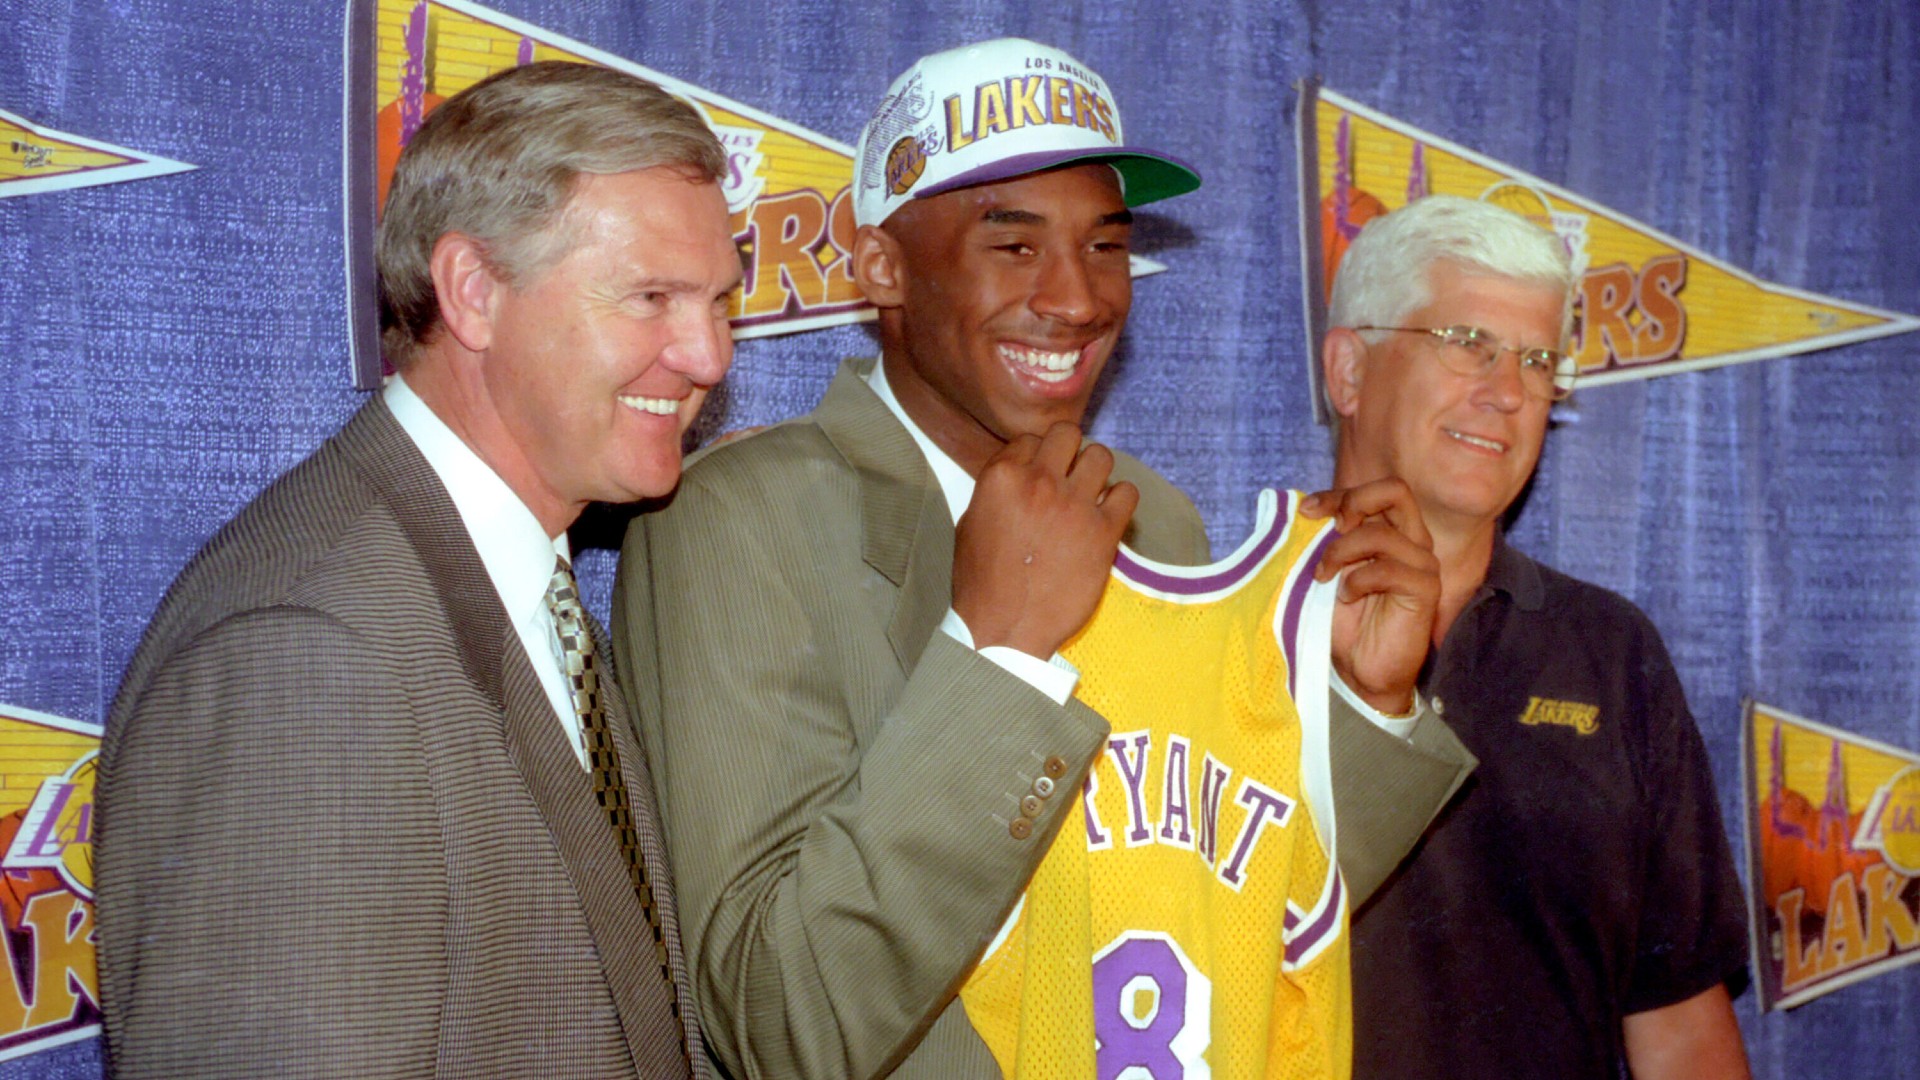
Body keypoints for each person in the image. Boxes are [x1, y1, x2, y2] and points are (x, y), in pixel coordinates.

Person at [613, 38, 1469, 1079]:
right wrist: (1002, 656)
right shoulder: (738, 523)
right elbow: (776, 1016)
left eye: (1105, 246)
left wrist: (1364, 706)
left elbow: (1229, 910)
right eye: (1013, 247)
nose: (1076, 299)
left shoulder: (1152, 518)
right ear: (883, 266)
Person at [94, 62, 739, 1079]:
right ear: (475, 293)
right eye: (651, 297)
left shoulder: (514, 581)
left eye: (719, 302)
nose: (706, 355)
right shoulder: (309, 658)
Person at [1321, 194, 1752, 1080]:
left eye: (1537, 359)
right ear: (1349, 370)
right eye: (1465, 343)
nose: (1509, 392)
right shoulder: (1225, 622)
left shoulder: (1613, 654)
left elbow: (1678, 1025)